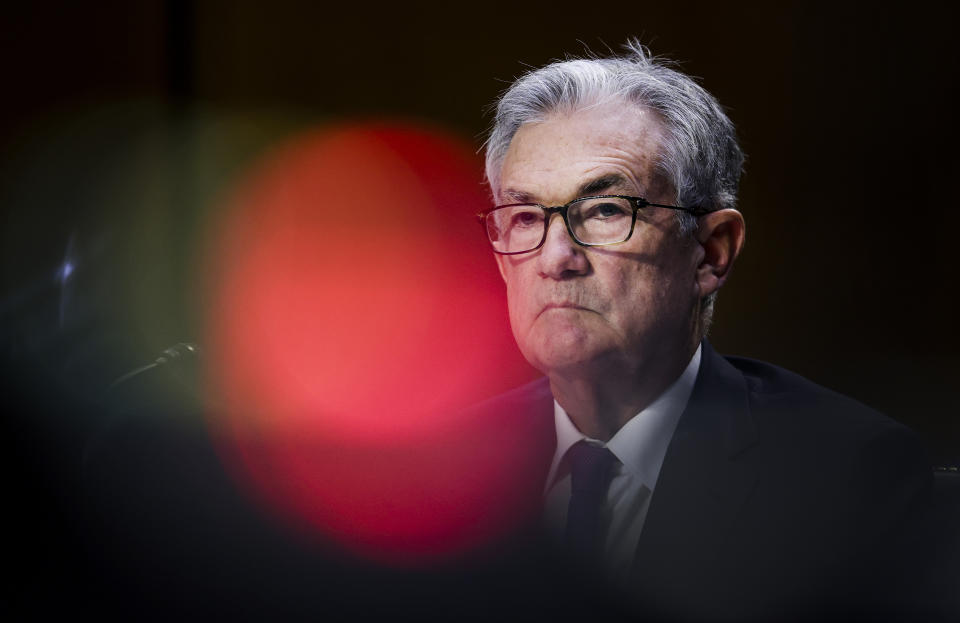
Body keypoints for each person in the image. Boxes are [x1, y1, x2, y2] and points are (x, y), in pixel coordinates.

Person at [477, 41, 934, 621]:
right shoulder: (441, 470)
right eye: (525, 218)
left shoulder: (848, 475)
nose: (556, 257)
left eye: (606, 210)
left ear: (710, 253)